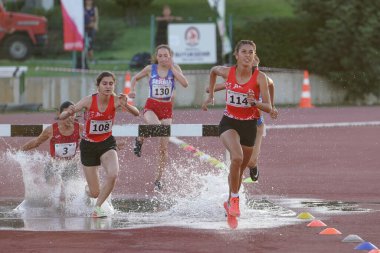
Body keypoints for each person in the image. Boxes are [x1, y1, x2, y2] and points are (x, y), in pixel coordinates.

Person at [202, 40, 272, 224]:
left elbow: (268, 105)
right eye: (244, 52)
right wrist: (210, 95)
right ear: (236, 54)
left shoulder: (260, 78)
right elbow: (213, 71)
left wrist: (256, 103)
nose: (247, 55)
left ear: (254, 55)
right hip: (229, 123)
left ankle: (229, 200)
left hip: (250, 125)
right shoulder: (227, 72)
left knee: (240, 169)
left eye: (251, 52)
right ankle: (235, 199)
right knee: (237, 157)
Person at [57, 71, 139, 218]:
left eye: (111, 84)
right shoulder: (89, 101)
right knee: (94, 192)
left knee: (113, 174)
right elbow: (63, 116)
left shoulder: (116, 100)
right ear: (98, 86)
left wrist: (126, 105)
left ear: (114, 85)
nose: (108, 86)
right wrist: (67, 112)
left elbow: (136, 113)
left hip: (106, 143)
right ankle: (87, 192)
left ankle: (97, 208)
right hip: (88, 146)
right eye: (105, 83)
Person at [206, 57, 279, 183]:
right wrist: (218, 89)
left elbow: (271, 85)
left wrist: (272, 106)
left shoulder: (261, 79)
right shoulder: (235, 78)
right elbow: (209, 88)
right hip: (235, 122)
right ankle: (233, 192)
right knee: (237, 156)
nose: (251, 69)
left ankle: (254, 166)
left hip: (255, 124)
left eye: (254, 67)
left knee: (251, 161)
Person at [129, 44, 189, 190]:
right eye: (160, 56)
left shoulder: (175, 68)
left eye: (166, 56)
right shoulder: (151, 69)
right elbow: (135, 78)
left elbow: (185, 84)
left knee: (163, 148)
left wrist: (173, 68)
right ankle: (140, 138)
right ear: (156, 57)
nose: (163, 58)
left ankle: (158, 179)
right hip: (152, 106)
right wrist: (132, 90)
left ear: (170, 56)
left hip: (167, 109)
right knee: (156, 127)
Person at [21, 101, 83, 207]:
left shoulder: (80, 128)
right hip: (53, 166)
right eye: (67, 114)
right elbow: (36, 142)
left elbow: (91, 141)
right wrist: (21, 150)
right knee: (52, 197)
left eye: (73, 114)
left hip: (71, 165)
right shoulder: (51, 130)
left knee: (72, 197)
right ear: (60, 114)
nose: (70, 117)